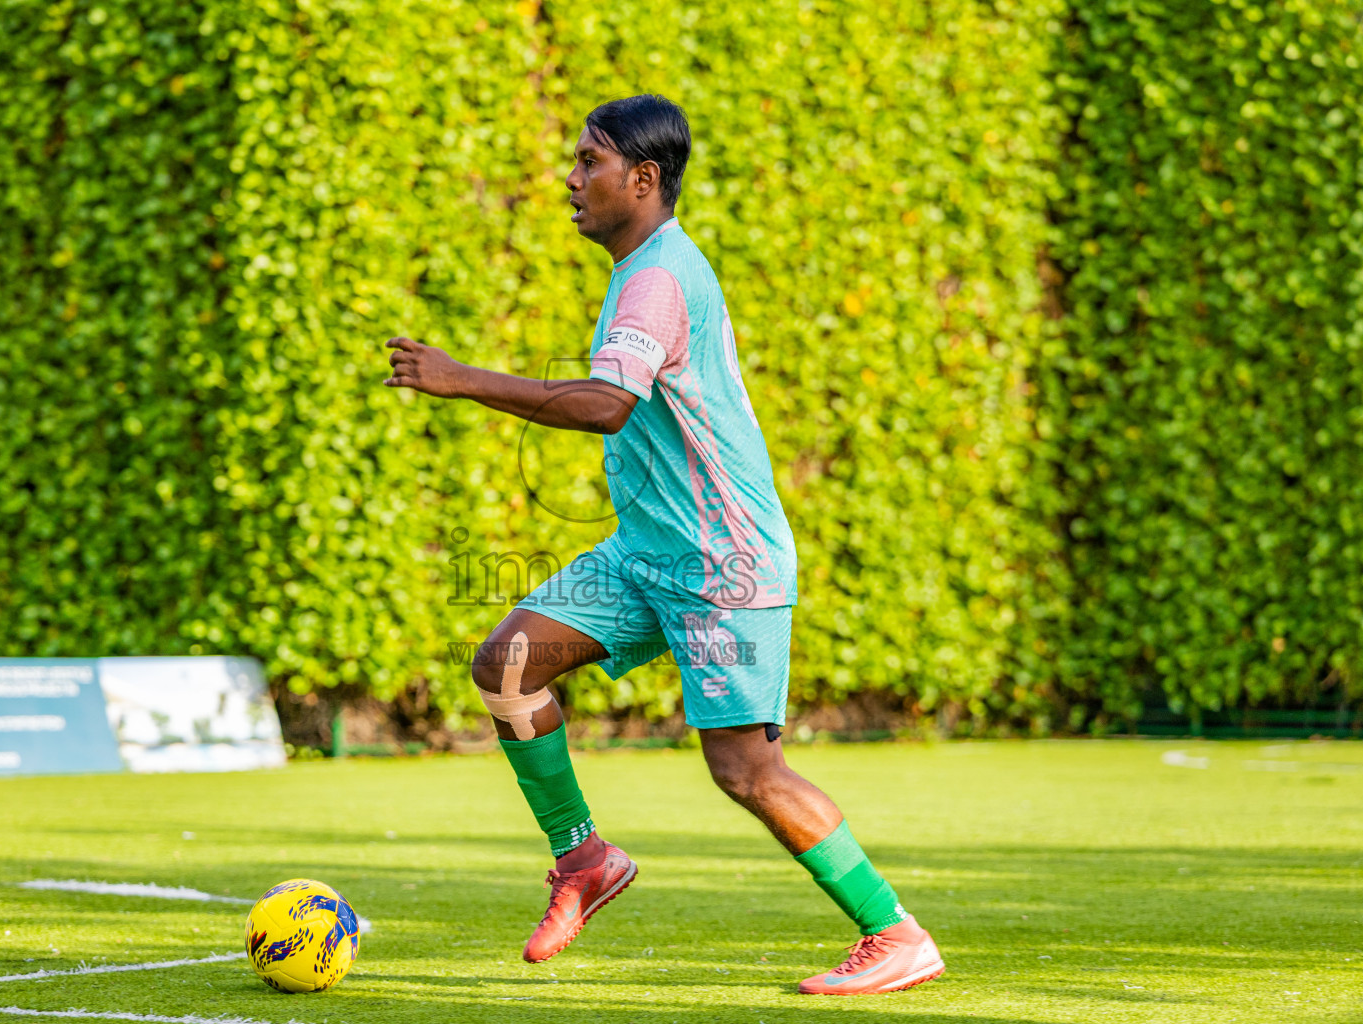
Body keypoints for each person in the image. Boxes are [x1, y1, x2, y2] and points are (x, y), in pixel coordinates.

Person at [384, 94, 944, 996]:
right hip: (651, 550)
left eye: (588, 162)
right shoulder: (641, 269)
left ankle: (896, 932)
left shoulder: (656, 277)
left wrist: (462, 380)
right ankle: (585, 860)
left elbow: (609, 405)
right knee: (508, 664)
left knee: (746, 769)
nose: (570, 180)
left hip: (724, 561)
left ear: (642, 179)